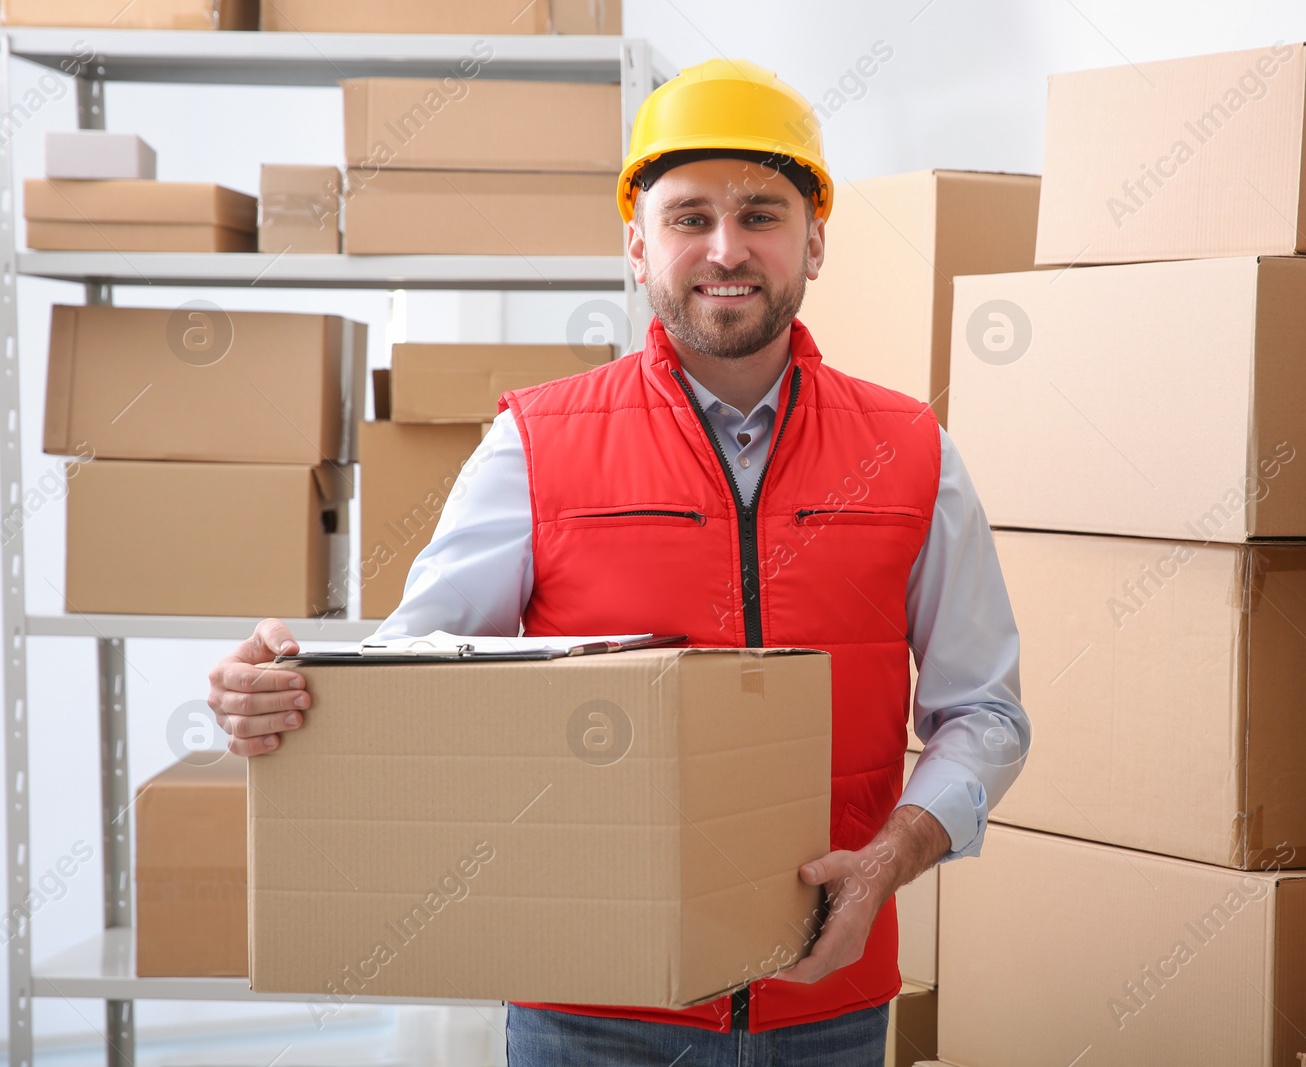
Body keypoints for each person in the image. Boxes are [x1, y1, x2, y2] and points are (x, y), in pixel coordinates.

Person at [207, 58, 1028, 1067]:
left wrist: (892, 856)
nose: (726, 250)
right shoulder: (535, 442)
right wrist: (284, 694)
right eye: (689, 217)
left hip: (828, 1003)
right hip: (589, 1007)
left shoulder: (910, 449)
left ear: (814, 242)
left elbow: (985, 714)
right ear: (637, 243)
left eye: (761, 214)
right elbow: (411, 673)